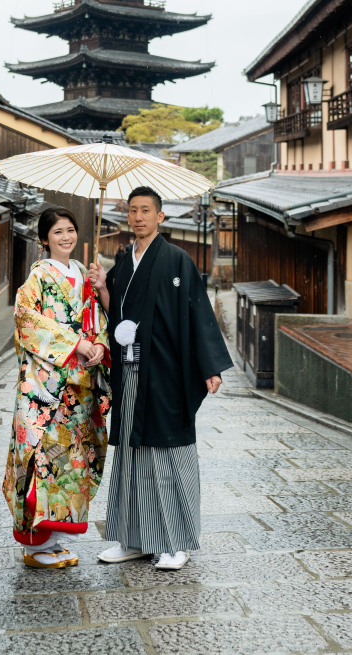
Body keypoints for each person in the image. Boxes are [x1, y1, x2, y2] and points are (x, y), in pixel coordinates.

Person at [87, 186, 232, 570]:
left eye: (146, 210)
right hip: (131, 372)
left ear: (160, 216)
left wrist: (209, 366)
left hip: (167, 372)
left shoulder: (177, 260)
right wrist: (102, 287)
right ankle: (133, 539)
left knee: (169, 452)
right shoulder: (124, 261)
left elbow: (198, 312)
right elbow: (116, 313)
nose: (138, 217)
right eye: (133, 210)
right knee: (132, 454)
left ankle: (177, 542)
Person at [2, 207, 111, 569]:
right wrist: (76, 343)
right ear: (44, 239)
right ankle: (35, 546)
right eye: (58, 232)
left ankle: (57, 540)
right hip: (45, 388)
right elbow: (26, 320)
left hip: (79, 386)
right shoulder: (38, 276)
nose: (66, 237)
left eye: (70, 230)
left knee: (72, 462)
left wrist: (99, 344)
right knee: (41, 458)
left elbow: (96, 319)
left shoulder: (82, 272)